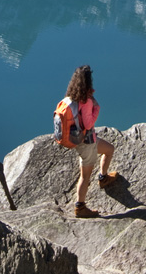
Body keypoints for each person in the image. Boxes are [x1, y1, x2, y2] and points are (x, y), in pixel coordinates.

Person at [58, 64, 117, 218]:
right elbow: (89, 124)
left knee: (109, 149)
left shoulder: (71, 98)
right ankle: (80, 207)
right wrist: (96, 109)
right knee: (85, 176)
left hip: (81, 139)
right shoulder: (87, 101)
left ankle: (103, 177)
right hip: (87, 143)